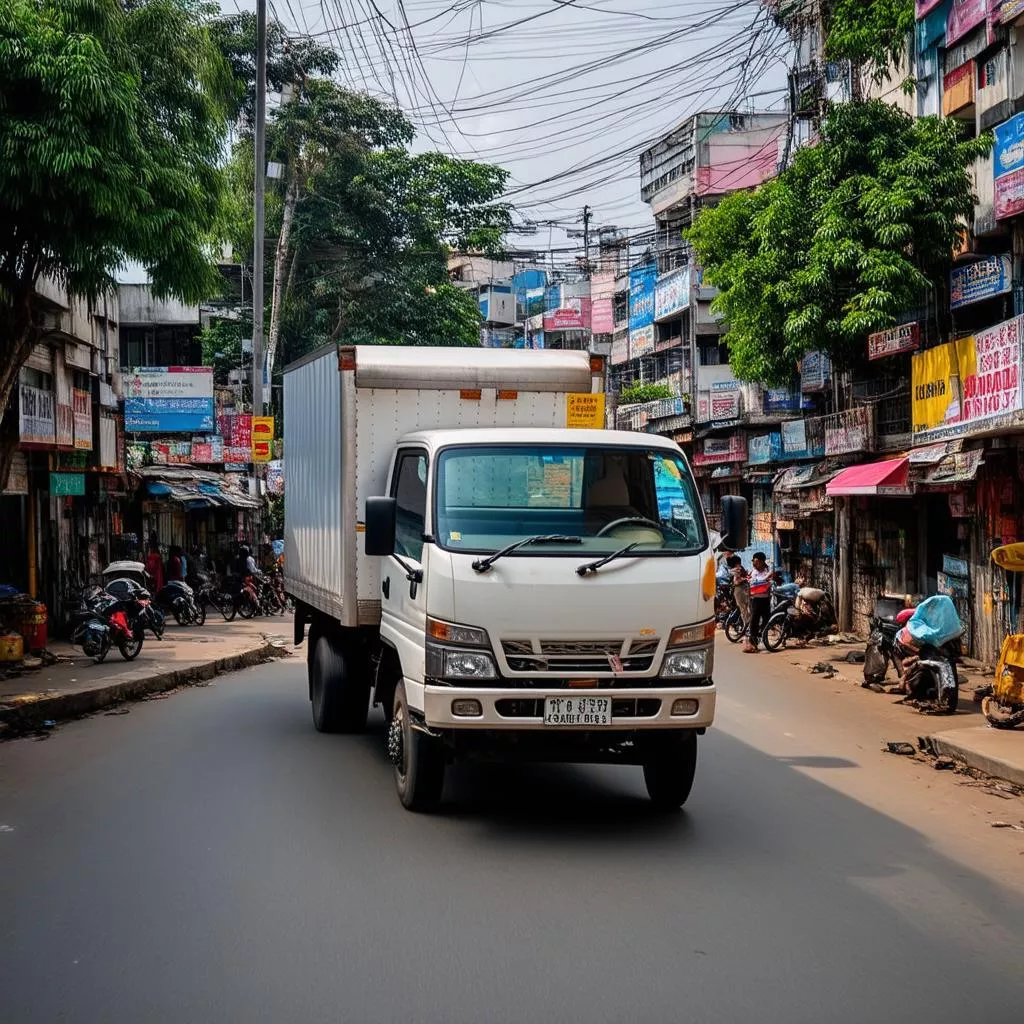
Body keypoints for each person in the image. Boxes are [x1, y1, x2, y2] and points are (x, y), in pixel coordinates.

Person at [744, 552, 775, 653]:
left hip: (766, 599)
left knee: (767, 620)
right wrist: (766, 579)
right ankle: (753, 643)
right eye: (753, 561)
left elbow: (770, 582)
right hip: (756, 600)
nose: (754, 563)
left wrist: (768, 578)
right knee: (754, 621)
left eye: (756, 561)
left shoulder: (767, 570)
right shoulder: (753, 572)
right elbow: (756, 582)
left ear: (762, 562)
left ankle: (763, 639)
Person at [727, 554, 750, 627]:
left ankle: (746, 626)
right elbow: (737, 580)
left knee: (743, 609)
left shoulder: (733, 570)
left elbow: (736, 581)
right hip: (743, 589)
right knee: (746, 609)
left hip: (739, 590)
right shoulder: (739, 569)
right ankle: (747, 626)